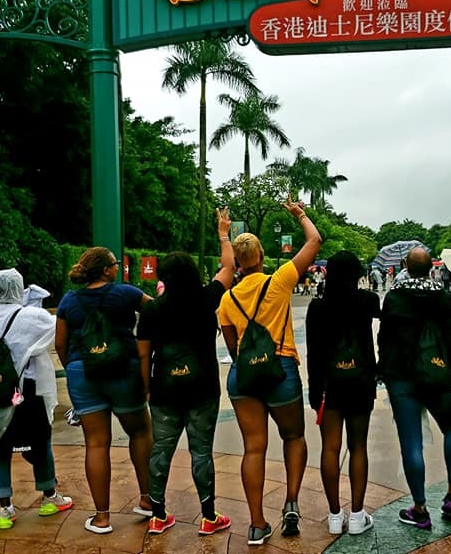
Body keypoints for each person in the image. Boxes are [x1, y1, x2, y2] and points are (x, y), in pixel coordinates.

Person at [218, 198, 322, 546]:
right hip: (282, 370)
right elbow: (314, 242)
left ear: (238, 261)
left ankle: (256, 525)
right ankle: (291, 503)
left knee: (253, 449)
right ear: (261, 257)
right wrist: (300, 214)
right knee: (293, 437)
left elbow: (232, 347)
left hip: (244, 378)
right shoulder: (279, 281)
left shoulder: (226, 300)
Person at [137, 209, 235, 537]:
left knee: (160, 450)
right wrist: (223, 232)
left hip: (164, 390)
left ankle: (158, 515)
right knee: (201, 451)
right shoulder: (207, 299)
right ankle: (208, 515)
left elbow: (143, 353)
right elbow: (228, 267)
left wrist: (147, 389)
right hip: (202, 387)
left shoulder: (151, 309)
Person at [0, 268, 73, 530]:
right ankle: (49, 497)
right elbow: (58, 336)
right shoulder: (34, 316)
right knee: (40, 441)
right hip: (29, 391)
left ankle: (5, 510)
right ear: (16, 288)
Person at [55, 247, 153, 534]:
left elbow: (60, 343)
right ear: (107, 270)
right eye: (114, 263)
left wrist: (75, 366)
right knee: (140, 432)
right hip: (123, 368)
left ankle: (101, 517)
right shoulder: (126, 293)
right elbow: (157, 311)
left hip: (82, 371)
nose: (117, 266)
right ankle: (148, 500)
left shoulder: (69, 300)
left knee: (96, 443)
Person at [378, 246, 451, 531]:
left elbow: (384, 339)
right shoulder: (445, 298)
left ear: (405, 265)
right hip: (436, 373)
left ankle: (420, 507)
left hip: (402, 376)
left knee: (411, 441)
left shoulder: (394, 298)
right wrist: (447, 370)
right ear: (431, 268)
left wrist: (384, 371)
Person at [305, 250, 380, 536]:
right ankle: (358, 515)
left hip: (328, 384)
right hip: (361, 381)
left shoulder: (317, 307)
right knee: (359, 446)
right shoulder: (367, 301)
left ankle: (335, 515)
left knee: (330, 448)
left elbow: (313, 353)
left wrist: (314, 392)